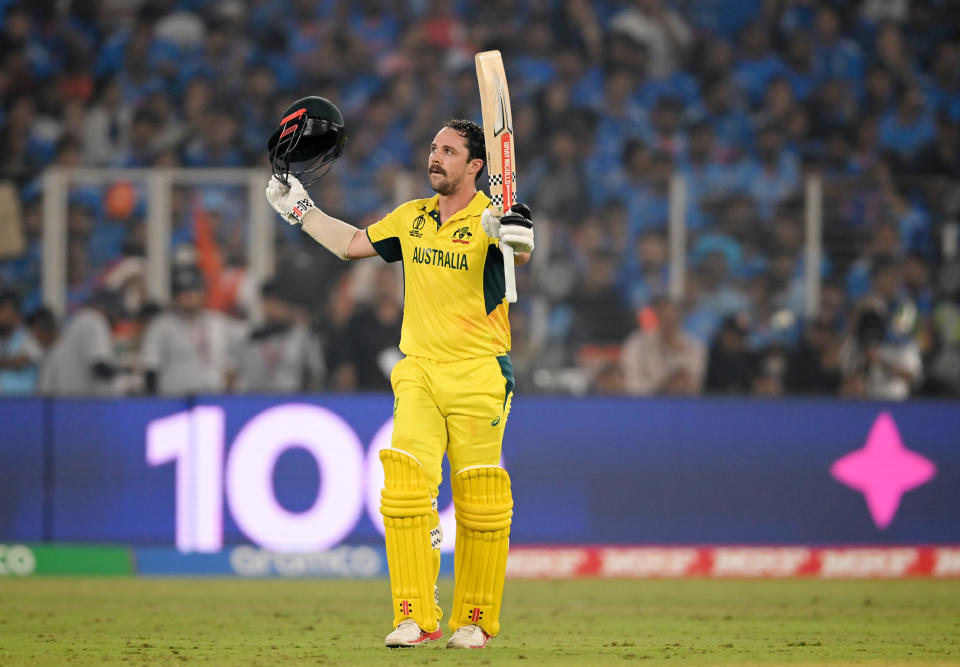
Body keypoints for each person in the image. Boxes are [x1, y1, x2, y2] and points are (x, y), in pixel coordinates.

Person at [265, 100, 534, 650]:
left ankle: (475, 620)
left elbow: (520, 251)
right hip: (417, 371)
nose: (434, 158)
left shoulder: (491, 219)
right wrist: (300, 210)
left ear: (476, 165)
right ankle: (415, 614)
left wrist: (515, 234)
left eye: (449, 151)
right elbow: (350, 245)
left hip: (480, 372)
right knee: (406, 490)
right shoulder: (412, 217)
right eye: (434, 148)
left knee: (481, 498)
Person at [140, 265, 239, 395]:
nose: (189, 296)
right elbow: (151, 367)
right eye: (183, 291)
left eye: (194, 290)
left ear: (203, 293)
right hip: (173, 400)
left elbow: (232, 364)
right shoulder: (161, 325)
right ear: (175, 295)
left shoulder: (218, 322)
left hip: (214, 398)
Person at [235, 280, 324, 393]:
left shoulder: (302, 337)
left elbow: (315, 374)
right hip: (257, 401)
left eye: (277, 302)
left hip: (292, 402)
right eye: (268, 302)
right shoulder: (252, 338)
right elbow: (240, 375)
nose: (273, 307)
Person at [39, 290, 120, 397]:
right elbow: (100, 366)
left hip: (63, 399)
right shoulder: (94, 319)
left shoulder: (76, 321)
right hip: (81, 403)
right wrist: (126, 375)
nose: (116, 319)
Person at [0, 290, 43, 395]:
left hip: (23, 402)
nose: (2, 317)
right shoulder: (2, 338)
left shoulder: (27, 337)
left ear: (16, 315)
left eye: (5, 312)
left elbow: (22, 362)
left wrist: (5, 362)